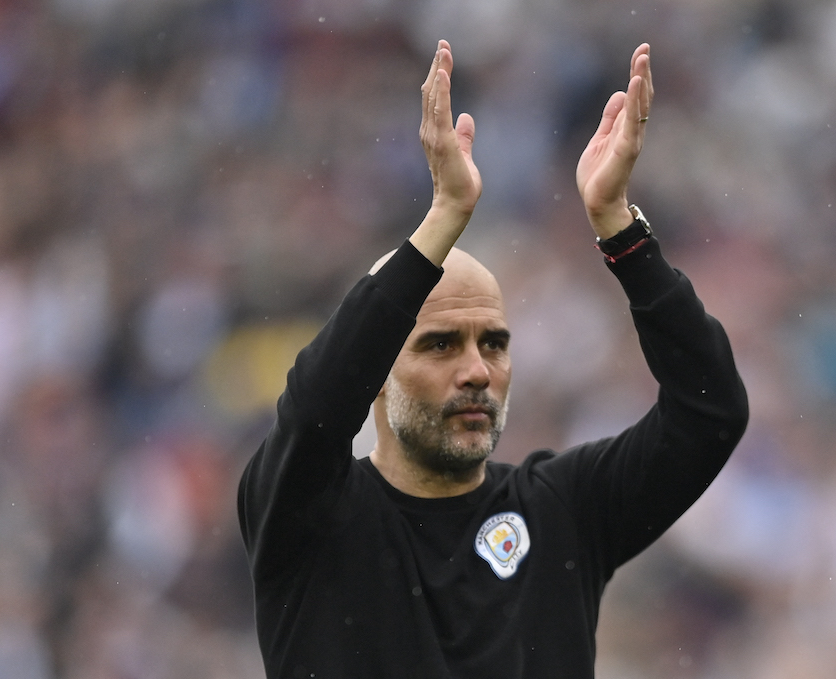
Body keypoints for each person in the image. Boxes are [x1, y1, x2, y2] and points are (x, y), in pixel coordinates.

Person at [238, 40, 748, 679]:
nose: (478, 370)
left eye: (495, 344)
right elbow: (313, 407)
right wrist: (443, 221)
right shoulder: (307, 516)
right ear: (374, 374)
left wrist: (621, 231)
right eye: (440, 344)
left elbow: (711, 414)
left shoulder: (561, 511)